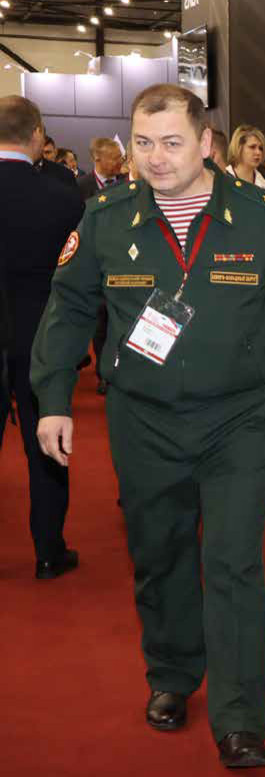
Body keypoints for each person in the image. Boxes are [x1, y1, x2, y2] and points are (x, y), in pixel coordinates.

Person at [31, 83, 265, 768]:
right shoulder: (107, 217)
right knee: (161, 553)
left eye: (172, 142)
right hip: (143, 420)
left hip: (238, 420)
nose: (156, 157)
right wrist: (53, 396)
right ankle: (171, 672)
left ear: (206, 143)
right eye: (143, 142)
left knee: (233, 562)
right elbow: (69, 306)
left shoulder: (260, 216)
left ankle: (240, 718)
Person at [0, 96, 84, 579]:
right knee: (47, 444)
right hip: (42, 338)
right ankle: (49, 550)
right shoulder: (64, 198)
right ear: (36, 135)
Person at [226, 124, 265, 194]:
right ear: (239, 148)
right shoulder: (223, 179)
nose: (258, 152)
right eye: (252, 147)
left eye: (260, 148)